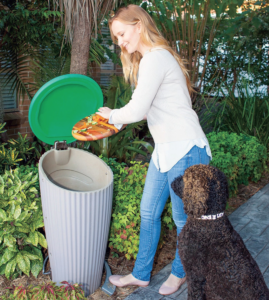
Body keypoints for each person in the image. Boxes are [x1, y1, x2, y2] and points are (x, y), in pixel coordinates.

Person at [96, 4, 212, 296]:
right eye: (117, 38)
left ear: (138, 24)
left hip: (185, 147)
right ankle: (142, 273)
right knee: (148, 212)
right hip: (164, 150)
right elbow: (152, 110)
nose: (120, 42)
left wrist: (110, 115)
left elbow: (135, 109)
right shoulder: (153, 59)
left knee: (183, 219)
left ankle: (180, 272)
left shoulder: (155, 58)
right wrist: (122, 119)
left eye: (122, 33)